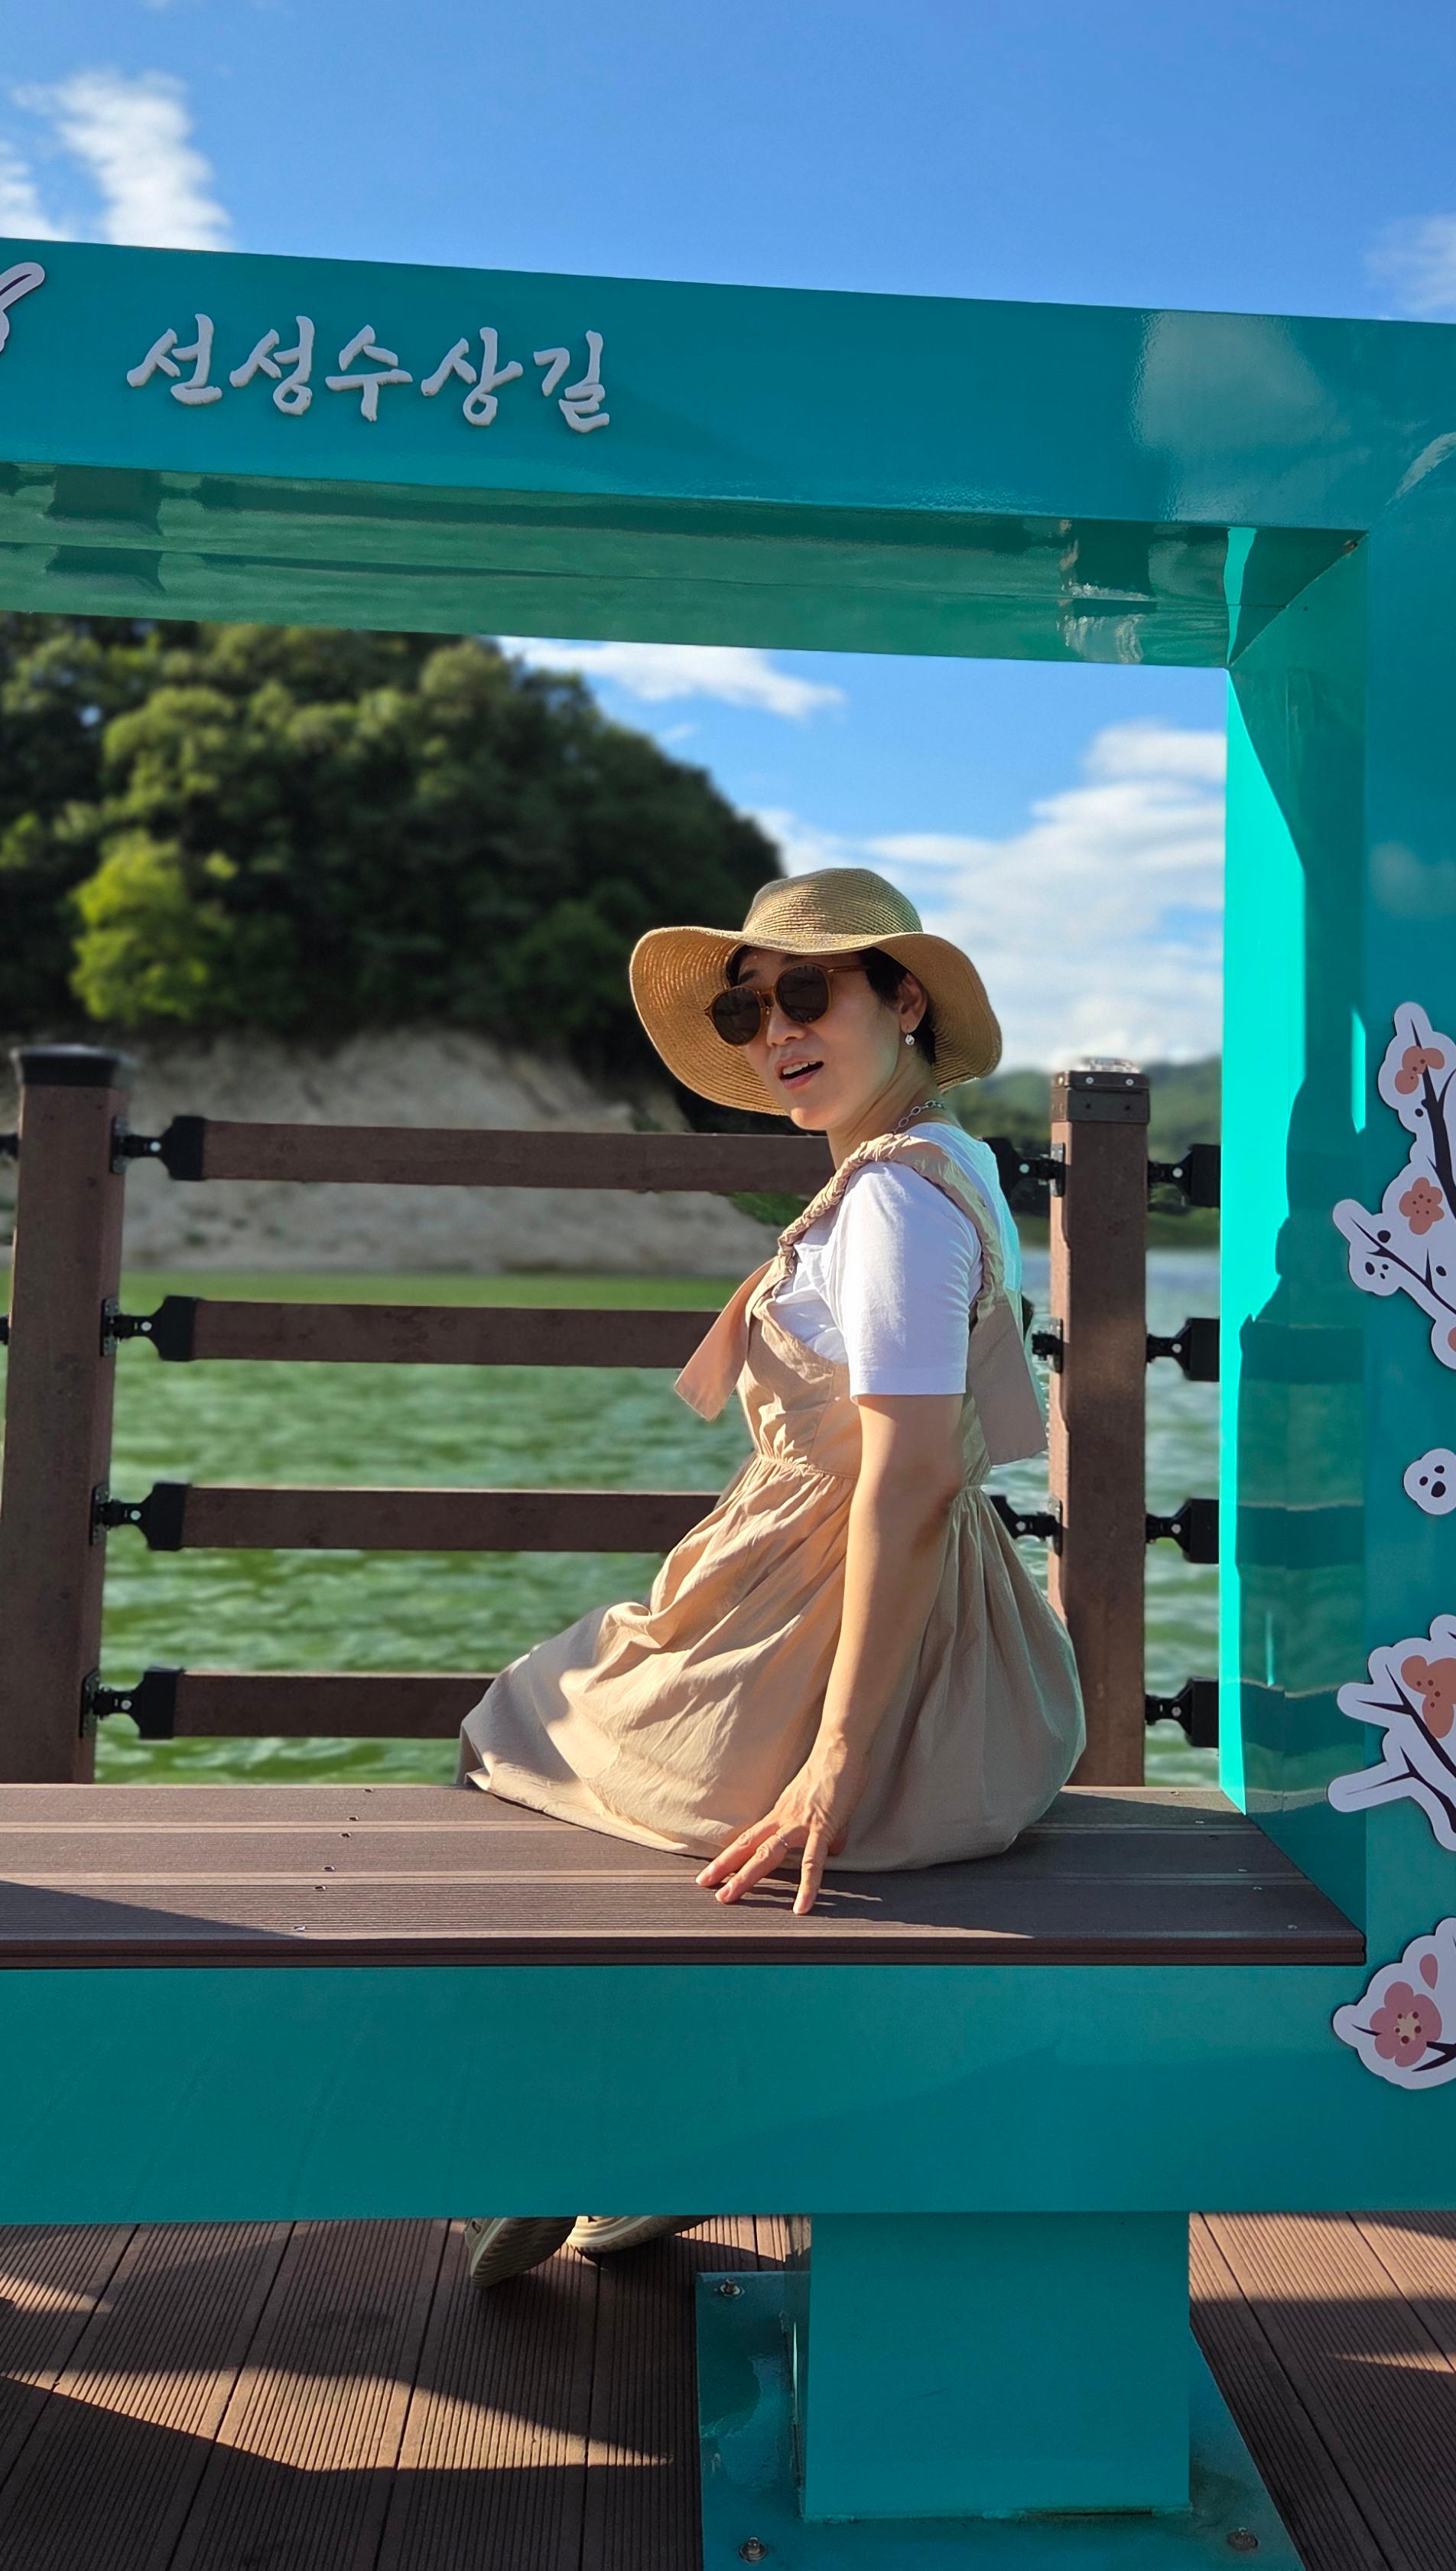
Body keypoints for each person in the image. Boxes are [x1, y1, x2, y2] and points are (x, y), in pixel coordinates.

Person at [458, 868, 1084, 2289]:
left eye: (809, 992)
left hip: (828, 1616)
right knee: (577, 1734)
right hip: (893, 1607)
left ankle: (590, 2126)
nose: (776, 1030)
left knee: (516, 1730)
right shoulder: (940, 1165)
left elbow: (909, 1482)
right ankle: (661, 2129)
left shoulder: (895, 1205)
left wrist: (836, 1760)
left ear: (903, 999)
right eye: (750, 1011)